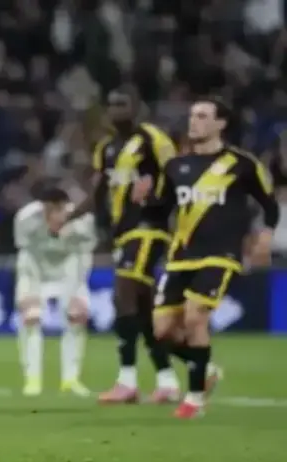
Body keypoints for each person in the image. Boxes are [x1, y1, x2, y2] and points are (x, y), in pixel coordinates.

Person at [133, 97, 279, 419]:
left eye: (202, 116)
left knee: (195, 317)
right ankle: (206, 368)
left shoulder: (242, 164)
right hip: (180, 256)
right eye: (192, 115)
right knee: (161, 332)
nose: (194, 121)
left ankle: (195, 399)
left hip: (220, 254)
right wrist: (144, 202)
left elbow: (270, 206)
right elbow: (160, 212)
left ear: (220, 123)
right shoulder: (175, 167)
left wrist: (265, 236)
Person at [63, 86, 180, 404]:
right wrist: (69, 217)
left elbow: (180, 177)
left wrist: (157, 200)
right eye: (112, 105)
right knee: (142, 308)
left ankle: (127, 381)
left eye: (123, 104)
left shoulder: (153, 139)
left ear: (136, 107)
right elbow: (98, 192)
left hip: (149, 229)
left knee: (123, 295)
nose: (117, 110)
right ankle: (168, 380)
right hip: (123, 233)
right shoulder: (106, 148)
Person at [13, 186, 96, 397]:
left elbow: (84, 255)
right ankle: (32, 379)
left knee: (75, 318)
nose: (53, 215)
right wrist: (28, 291)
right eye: (48, 210)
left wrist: (79, 288)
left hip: (69, 269)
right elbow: (25, 253)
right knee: (31, 319)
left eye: (58, 210)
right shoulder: (26, 218)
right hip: (35, 269)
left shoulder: (83, 221)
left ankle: (71, 379)